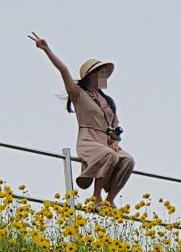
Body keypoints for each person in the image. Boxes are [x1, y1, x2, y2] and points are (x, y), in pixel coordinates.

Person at [29, 32, 135, 213]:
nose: (105, 77)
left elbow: (116, 127)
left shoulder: (108, 102)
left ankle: (109, 201)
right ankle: (96, 197)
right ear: (91, 75)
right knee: (110, 156)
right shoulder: (78, 94)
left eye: (106, 74)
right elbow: (63, 70)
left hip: (108, 142)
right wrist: (46, 49)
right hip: (89, 140)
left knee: (128, 160)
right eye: (102, 73)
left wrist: (115, 141)